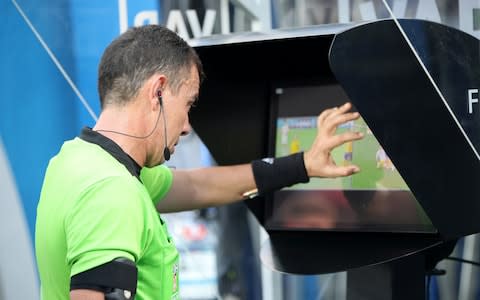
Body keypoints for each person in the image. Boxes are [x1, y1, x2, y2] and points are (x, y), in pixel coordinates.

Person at [35, 24, 363, 300]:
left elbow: (197, 185)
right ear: (158, 92)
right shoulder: (111, 192)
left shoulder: (77, 160)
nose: (187, 125)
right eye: (188, 104)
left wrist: (303, 164)